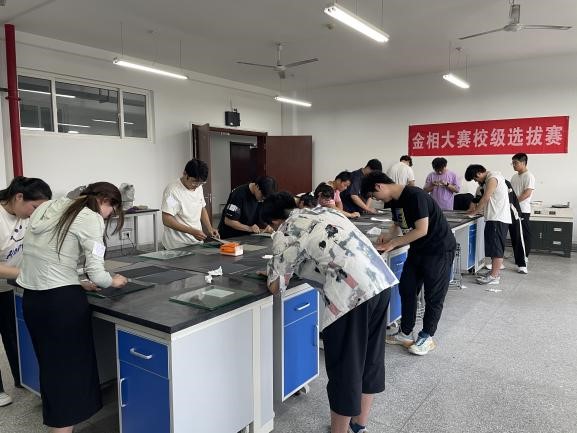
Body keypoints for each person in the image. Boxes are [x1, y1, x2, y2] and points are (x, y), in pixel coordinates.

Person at [262, 192, 397, 433]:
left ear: (273, 222)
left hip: (351, 296)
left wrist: (273, 270)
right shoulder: (325, 211)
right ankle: (359, 425)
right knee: (370, 359)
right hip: (380, 281)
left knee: (346, 367)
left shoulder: (285, 230)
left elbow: (275, 287)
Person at [16, 182, 128, 433]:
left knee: (53, 370)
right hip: (61, 305)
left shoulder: (49, 206)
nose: (108, 216)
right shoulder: (90, 217)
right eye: (112, 210)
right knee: (69, 374)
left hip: (33, 300)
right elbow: (97, 274)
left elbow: (47, 258)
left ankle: (60, 426)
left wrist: (76, 281)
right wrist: (114, 280)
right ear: (106, 201)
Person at [361, 171, 456, 356]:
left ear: (379, 186)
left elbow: (421, 230)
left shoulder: (415, 196)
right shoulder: (394, 200)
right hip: (418, 249)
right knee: (407, 288)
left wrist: (393, 243)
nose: (377, 199)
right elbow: (397, 224)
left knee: (433, 295)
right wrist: (387, 236)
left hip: (439, 250)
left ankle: (427, 336)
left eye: (374, 195)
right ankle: (405, 332)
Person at [0, 177, 52, 407]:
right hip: (12, 277)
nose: (35, 213)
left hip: (10, 285)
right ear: (19, 197)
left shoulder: (26, 216)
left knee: (13, 333)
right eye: (34, 207)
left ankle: (21, 378)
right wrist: (25, 272)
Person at [464, 165, 511, 285]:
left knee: (496, 248)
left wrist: (474, 212)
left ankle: (494, 276)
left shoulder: (492, 178)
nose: (476, 181)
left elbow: (485, 197)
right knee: (494, 247)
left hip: (497, 218)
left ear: (479, 173)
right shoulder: (490, 178)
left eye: (475, 179)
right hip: (494, 217)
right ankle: (494, 273)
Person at [161, 159, 219, 249]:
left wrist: (209, 228)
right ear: (185, 174)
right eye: (194, 181)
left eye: (201, 183)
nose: (196, 185)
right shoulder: (172, 191)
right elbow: (167, 219)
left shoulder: (199, 187)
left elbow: (201, 208)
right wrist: (192, 232)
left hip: (197, 242)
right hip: (177, 246)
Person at [510, 153, 535, 268]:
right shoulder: (514, 177)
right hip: (513, 209)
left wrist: (515, 203)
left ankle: (525, 256)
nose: (513, 165)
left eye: (515, 163)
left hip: (523, 210)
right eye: (512, 163)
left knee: (524, 234)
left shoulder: (529, 176)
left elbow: (527, 193)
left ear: (523, 163)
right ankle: (518, 256)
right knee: (515, 234)